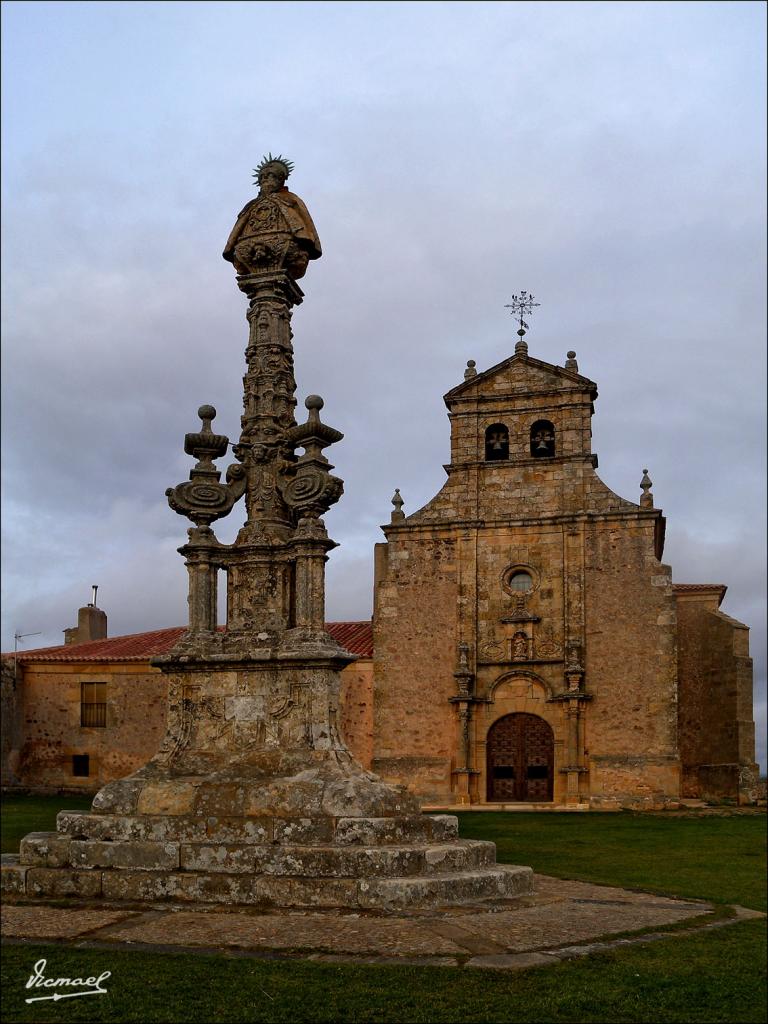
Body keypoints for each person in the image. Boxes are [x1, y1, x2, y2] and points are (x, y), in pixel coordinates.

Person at [223, 155, 321, 277]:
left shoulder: (291, 199)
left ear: (281, 178)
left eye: (270, 175)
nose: (265, 179)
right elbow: (239, 226)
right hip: (249, 246)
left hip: (284, 243)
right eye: (262, 177)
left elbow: (302, 221)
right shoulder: (251, 205)